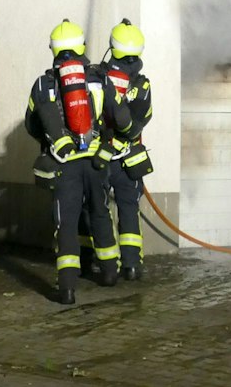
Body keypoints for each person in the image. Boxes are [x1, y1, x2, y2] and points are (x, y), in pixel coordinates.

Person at [25, 19, 119, 305]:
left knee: (65, 222)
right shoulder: (100, 79)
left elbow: (31, 123)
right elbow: (118, 117)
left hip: (63, 162)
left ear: (53, 49)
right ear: (82, 47)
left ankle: (67, 287)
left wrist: (55, 141)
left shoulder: (44, 83)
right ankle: (109, 272)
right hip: (95, 163)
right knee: (100, 213)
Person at [97, 19, 155, 281]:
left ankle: (104, 264)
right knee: (129, 208)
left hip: (99, 156)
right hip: (129, 159)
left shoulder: (98, 78)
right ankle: (132, 266)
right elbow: (145, 117)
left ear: (113, 47)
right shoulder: (142, 85)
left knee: (97, 209)